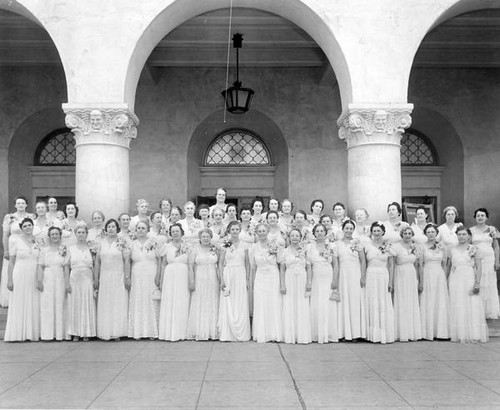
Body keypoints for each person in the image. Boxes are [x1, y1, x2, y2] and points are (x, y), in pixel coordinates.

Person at [448, 226, 488, 343]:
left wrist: (477, 283)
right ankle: (459, 333)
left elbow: (479, 267)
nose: (461, 236)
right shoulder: (452, 249)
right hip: (455, 278)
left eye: (464, 234)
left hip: (469, 277)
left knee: (472, 304)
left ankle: (474, 334)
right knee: (458, 304)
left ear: (469, 236)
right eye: (459, 234)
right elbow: (449, 266)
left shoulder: (474, 249)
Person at [4, 218, 41, 341]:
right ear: (21, 228)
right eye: (25, 226)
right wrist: (9, 280)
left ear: (33, 226)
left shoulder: (38, 241)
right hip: (19, 274)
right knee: (19, 301)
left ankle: (31, 333)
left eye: (29, 225)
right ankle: (17, 333)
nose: (27, 227)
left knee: (33, 301)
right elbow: (11, 262)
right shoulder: (16, 241)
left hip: (33, 274)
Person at [95, 219, 131, 340]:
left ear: (117, 229)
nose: (111, 229)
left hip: (118, 276)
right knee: (106, 303)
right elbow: (98, 261)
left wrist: (127, 276)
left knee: (117, 302)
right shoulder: (101, 242)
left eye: (113, 227)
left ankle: (117, 331)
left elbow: (126, 260)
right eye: (109, 227)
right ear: (106, 229)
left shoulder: (122, 242)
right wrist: (96, 277)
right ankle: (106, 330)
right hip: (105, 277)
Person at [218, 221, 251, 341]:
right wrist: (222, 279)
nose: (235, 231)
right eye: (233, 229)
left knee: (241, 301)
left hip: (241, 274)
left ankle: (241, 333)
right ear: (228, 231)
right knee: (229, 301)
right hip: (229, 273)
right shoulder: (224, 245)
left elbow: (247, 263)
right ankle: (228, 333)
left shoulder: (245, 245)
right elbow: (220, 264)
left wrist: (247, 279)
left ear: (240, 230)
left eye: (237, 229)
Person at [250, 223, 283, 342]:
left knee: (273, 302)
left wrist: (279, 249)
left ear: (268, 231)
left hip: (273, 276)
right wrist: (252, 283)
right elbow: (253, 266)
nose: (262, 233)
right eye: (260, 231)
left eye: (264, 231)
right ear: (256, 233)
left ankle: (274, 333)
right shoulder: (253, 247)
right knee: (261, 303)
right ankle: (261, 333)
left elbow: (279, 260)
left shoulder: (274, 245)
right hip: (260, 277)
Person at [128, 221, 161, 339]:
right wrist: (128, 277)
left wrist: (158, 276)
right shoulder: (132, 244)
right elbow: (128, 261)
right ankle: (138, 331)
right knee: (138, 299)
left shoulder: (153, 242)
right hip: (137, 274)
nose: (141, 230)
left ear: (147, 230)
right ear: (135, 230)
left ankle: (152, 331)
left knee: (151, 300)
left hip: (151, 273)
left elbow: (159, 259)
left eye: (143, 228)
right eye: (139, 228)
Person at [364, 222, 395, 344]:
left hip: (383, 275)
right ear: (371, 232)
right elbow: (364, 263)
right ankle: (372, 334)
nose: (376, 233)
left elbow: (391, 265)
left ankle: (384, 333)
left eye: (379, 231)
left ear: (383, 232)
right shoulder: (366, 246)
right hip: (371, 274)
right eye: (374, 231)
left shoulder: (388, 246)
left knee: (383, 301)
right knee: (372, 300)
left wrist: (391, 281)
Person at [158, 223, 191, 341]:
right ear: (170, 233)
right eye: (173, 231)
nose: (175, 233)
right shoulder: (166, 246)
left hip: (183, 273)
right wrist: (161, 280)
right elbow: (162, 264)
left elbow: (191, 263)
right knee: (170, 300)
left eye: (177, 231)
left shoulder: (187, 246)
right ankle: (169, 331)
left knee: (182, 300)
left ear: (182, 232)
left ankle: (181, 331)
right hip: (170, 274)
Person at [37, 226, 70, 341]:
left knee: (60, 303)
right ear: (49, 236)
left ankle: (60, 333)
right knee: (48, 304)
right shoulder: (44, 250)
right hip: (48, 277)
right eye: (52, 234)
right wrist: (39, 281)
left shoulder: (64, 249)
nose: (54, 236)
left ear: (60, 235)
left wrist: (67, 283)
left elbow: (66, 267)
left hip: (60, 277)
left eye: (56, 234)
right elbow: (40, 266)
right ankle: (48, 333)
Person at [307, 223, 339, 343]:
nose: (320, 233)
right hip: (316, 276)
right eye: (317, 231)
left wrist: (335, 280)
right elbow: (308, 264)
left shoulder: (332, 246)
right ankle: (316, 333)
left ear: (326, 233)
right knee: (316, 302)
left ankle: (328, 332)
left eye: (322, 231)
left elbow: (336, 264)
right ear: (314, 233)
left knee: (328, 303)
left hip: (328, 275)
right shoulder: (309, 247)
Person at [65, 224, 97, 341]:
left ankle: (86, 332)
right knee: (75, 305)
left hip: (87, 278)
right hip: (74, 279)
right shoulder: (70, 248)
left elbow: (95, 265)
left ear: (87, 234)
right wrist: (67, 283)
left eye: (83, 232)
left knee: (86, 304)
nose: (81, 235)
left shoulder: (91, 248)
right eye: (79, 232)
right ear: (75, 234)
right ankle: (75, 333)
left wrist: (95, 281)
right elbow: (66, 266)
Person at [280, 228, 312, 344]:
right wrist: (282, 284)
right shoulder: (285, 251)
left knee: (301, 304)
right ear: (289, 237)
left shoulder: (305, 251)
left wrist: (309, 283)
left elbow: (308, 267)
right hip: (289, 279)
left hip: (302, 279)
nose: (294, 238)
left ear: (300, 237)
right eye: (292, 236)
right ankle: (290, 335)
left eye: (297, 236)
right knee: (289, 304)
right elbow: (282, 269)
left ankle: (302, 335)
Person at [336, 220, 366, 341]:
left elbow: (363, 260)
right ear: (342, 229)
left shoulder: (357, 243)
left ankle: (356, 333)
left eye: (350, 228)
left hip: (355, 273)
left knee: (354, 300)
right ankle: (344, 332)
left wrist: (363, 276)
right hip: (343, 274)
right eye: (346, 228)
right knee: (344, 301)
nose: (348, 230)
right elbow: (336, 261)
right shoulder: (337, 244)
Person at [187, 229, 220, 340]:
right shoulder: (195, 249)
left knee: (212, 301)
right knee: (199, 301)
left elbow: (220, 264)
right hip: (199, 278)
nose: (206, 238)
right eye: (203, 236)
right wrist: (191, 281)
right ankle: (199, 330)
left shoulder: (215, 249)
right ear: (200, 238)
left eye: (208, 236)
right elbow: (190, 266)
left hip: (212, 278)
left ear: (211, 238)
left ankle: (212, 330)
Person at [1, 196, 33, 307]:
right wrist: (6, 250)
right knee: (12, 268)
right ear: (15, 205)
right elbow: (5, 235)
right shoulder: (9, 217)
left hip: (26, 245)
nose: (20, 205)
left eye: (23, 203)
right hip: (13, 245)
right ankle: (10, 299)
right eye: (18, 203)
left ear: (26, 205)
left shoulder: (31, 216)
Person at [420, 224, 450, 340]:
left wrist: (446, 279)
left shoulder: (442, 246)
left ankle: (440, 331)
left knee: (439, 300)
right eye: (428, 232)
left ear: (436, 233)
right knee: (428, 299)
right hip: (427, 273)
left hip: (439, 275)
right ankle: (427, 332)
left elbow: (445, 264)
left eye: (433, 232)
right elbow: (421, 264)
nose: (431, 234)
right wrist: (421, 280)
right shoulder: (421, 246)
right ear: (425, 233)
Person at [393, 226, 422, 342]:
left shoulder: (416, 247)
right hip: (400, 274)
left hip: (411, 274)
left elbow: (417, 265)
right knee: (401, 300)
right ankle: (400, 332)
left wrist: (418, 280)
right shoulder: (396, 246)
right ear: (402, 234)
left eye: (409, 233)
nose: (407, 235)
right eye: (405, 233)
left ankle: (411, 331)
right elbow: (392, 263)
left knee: (411, 301)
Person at [470, 208, 500, 319]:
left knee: (490, 283)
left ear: (486, 217)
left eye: (482, 215)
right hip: (477, 260)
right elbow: (469, 247)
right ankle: (479, 310)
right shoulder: (471, 230)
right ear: (475, 217)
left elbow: (496, 247)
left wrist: (497, 261)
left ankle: (490, 310)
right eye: (478, 215)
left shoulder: (492, 229)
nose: (480, 217)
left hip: (489, 258)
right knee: (479, 281)